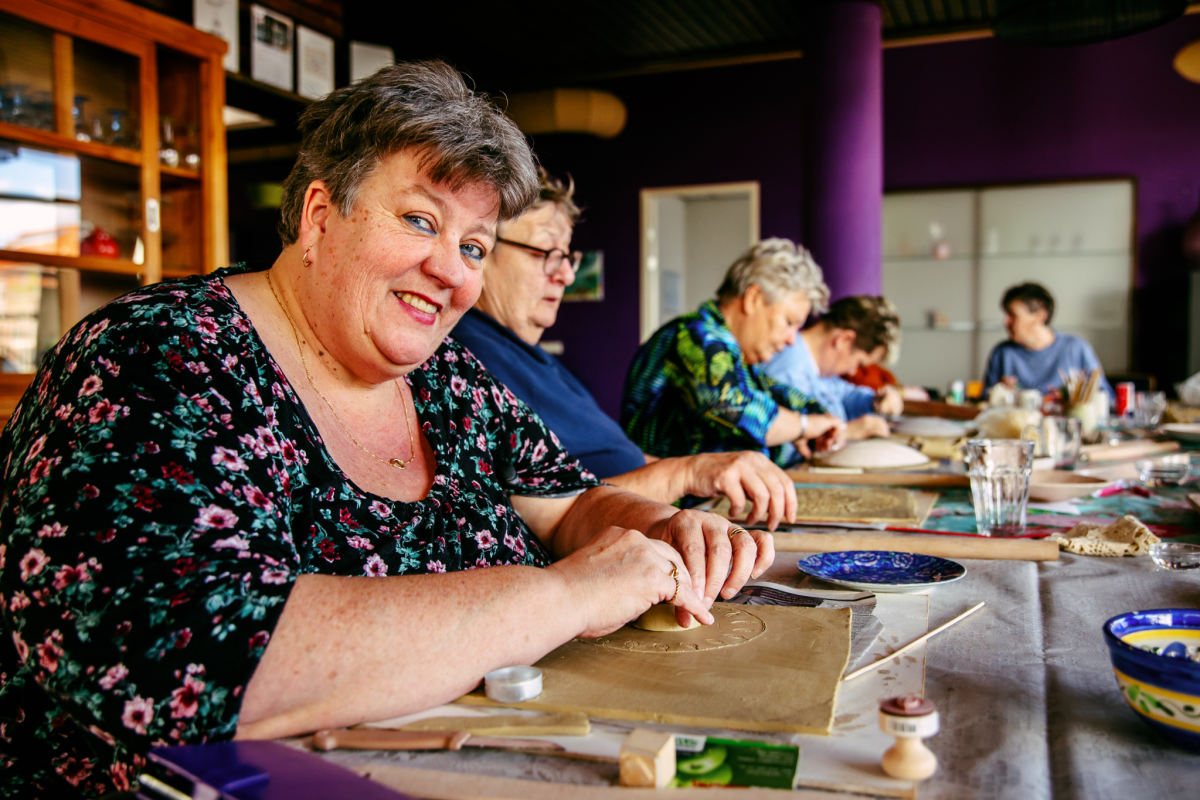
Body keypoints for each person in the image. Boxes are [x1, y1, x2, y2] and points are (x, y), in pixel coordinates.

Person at [0, 63, 771, 797]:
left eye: (473, 246)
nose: (452, 271)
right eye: (419, 220)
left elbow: (569, 505)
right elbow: (197, 660)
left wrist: (657, 530)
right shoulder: (158, 355)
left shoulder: (447, 378)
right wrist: (567, 596)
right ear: (318, 216)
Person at [453, 170, 798, 529]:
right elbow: (536, 512)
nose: (567, 275)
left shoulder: (528, 355)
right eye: (546, 253)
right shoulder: (468, 359)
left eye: (567, 256)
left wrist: (712, 470)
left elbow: (616, 458)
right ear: (483, 248)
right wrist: (686, 473)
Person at [621, 239, 845, 467]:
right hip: (660, 489)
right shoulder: (694, 337)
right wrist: (804, 425)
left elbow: (778, 393)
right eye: (789, 322)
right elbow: (737, 409)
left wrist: (818, 417)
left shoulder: (737, 356)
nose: (791, 339)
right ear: (753, 299)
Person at [764, 296, 904, 440]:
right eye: (859, 363)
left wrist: (873, 402)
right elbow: (773, 434)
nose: (853, 371)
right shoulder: (788, 368)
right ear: (844, 340)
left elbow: (843, 393)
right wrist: (846, 432)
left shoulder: (820, 370)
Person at [983, 282, 1114, 400]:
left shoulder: (1075, 348)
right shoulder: (1002, 352)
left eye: (1013, 315)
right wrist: (997, 393)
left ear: (1040, 316)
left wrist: (1069, 397)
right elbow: (983, 402)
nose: (1006, 322)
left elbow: (1106, 397)